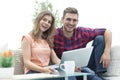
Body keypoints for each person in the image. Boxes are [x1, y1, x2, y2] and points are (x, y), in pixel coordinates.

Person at [54, 7, 112, 80]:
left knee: (100, 38)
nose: (71, 23)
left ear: (77, 21)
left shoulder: (82, 32)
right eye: (68, 19)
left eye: (74, 20)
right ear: (62, 19)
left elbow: (107, 32)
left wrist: (106, 52)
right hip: (65, 69)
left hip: (83, 66)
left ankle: (99, 74)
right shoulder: (54, 35)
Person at [21, 10, 64, 80]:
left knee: (67, 76)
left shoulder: (47, 40)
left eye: (49, 22)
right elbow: (27, 62)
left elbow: (56, 60)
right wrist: (43, 70)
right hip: (32, 72)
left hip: (46, 71)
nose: (46, 23)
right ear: (38, 20)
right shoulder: (27, 38)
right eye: (44, 20)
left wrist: (70, 66)